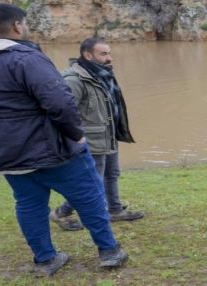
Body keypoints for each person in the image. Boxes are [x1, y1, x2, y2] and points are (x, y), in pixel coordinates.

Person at [0, 3, 127, 276]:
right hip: (48, 149)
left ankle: (46, 259)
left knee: (28, 203)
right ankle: (109, 251)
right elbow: (59, 101)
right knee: (89, 196)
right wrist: (77, 136)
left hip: (3, 153)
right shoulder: (25, 57)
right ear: (17, 26)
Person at [50, 37, 143, 231]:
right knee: (92, 182)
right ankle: (61, 213)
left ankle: (115, 210)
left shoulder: (103, 74)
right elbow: (63, 111)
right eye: (103, 54)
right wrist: (76, 138)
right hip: (89, 141)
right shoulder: (74, 79)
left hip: (108, 135)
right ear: (87, 55)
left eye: (109, 53)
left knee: (112, 174)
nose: (109, 58)